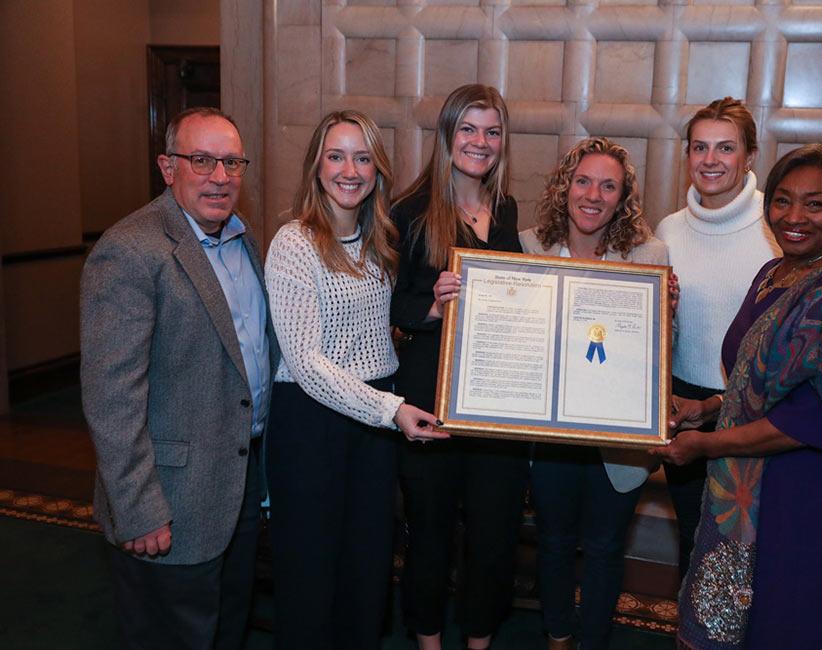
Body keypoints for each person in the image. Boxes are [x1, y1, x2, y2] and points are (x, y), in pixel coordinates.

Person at [651, 144, 822, 648]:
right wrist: (707, 409)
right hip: (752, 480)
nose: (794, 216)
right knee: (746, 615)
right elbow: (756, 383)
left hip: (804, 494)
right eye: (782, 200)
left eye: (815, 204)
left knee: (786, 618)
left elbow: (808, 423)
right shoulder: (775, 273)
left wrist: (704, 446)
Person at [80, 107, 279, 649]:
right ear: (168, 168)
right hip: (168, 502)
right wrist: (139, 509)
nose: (220, 176)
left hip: (237, 488)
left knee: (225, 632)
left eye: (232, 162)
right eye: (203, 160)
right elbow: (111, 398)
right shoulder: (130, 251)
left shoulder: (245, 240)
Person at [264, 110, 445, 649]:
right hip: (312, 423)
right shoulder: (293, 242)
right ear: (317, 166)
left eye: (362, 157)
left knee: (367, 567)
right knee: (311, 573)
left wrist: (433, 311)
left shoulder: (380, 241)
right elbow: (306, 362)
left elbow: (381, 331)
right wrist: (390, 410)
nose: (350, 170)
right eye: (337, 155)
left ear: (377, 170)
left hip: (371, 426)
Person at [391, 84, 527, 650]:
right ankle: (428, 642)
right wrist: (433, 305)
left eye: (492, 131)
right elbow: (392, 308)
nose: (481, 141)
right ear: (447, 135)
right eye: (468, 129)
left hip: (495, 399)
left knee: (494, 534)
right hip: (431, 397)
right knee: (431, 532)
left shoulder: (507, 209)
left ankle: (478, 639)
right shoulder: (408, 211)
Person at [520, 137, 670, 650]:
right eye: (583, 181)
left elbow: (655, 355)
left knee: (606, 547)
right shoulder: (528, 247)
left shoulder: (651, 256)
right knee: (555, 542)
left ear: (622, 197)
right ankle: (558, 636)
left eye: (608, 186)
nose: (593, 195)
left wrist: (666, 312)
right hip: (551, 432)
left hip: (619, 440)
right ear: (565, 187)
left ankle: (594, 642)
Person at [654, 97, 780, 578]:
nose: (710, 160)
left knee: (752, 547)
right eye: (699, 147)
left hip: (757, 409)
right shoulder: (668, 229)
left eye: (725, 148)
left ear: (749, 156)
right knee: (694, 537)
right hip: (685, 403)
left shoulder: (779, 226)